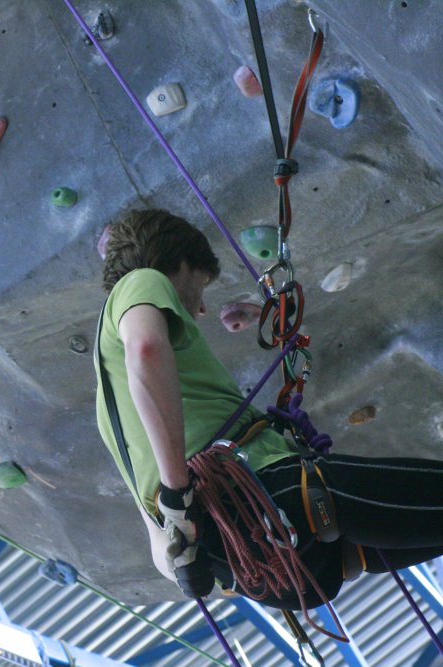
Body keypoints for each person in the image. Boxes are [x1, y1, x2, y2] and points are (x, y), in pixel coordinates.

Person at [94, 208, 443, 609]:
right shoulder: (141, 281)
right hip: (269, 498)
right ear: (181, 263)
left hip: (268, 572)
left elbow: (162, 548)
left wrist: (181, 557)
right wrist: (177, 491)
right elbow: (147, 349)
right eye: (201, 285)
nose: (202, 309)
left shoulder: (111, 409)